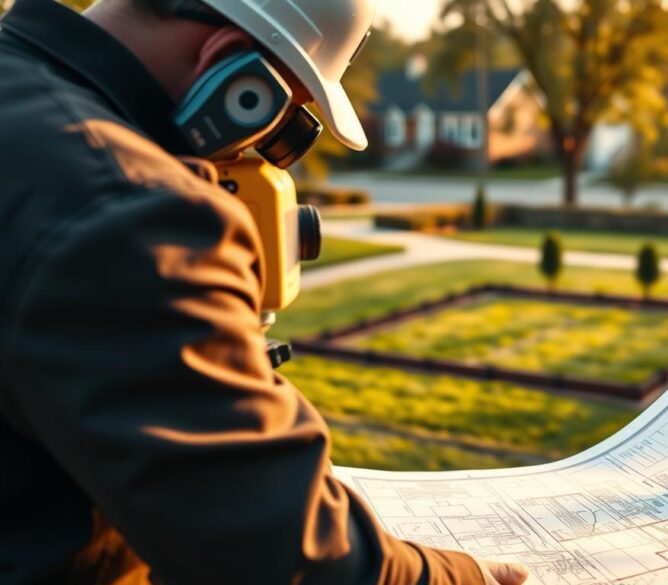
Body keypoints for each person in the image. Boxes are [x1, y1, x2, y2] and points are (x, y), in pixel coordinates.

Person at [0, 0, 530, 583]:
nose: (257, 154)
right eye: (275, 116)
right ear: (231, 71)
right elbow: (286, 559)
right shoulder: (126, 213)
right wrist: (470, 577)